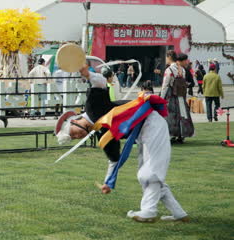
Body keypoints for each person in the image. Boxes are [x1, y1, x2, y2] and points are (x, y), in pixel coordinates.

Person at [56, 66, 188, 223]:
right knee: (151, 174)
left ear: (74, 120)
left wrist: (88, 74)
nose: (77, 136)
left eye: (72, 132)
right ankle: (179, 214)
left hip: (152, 124)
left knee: (148, 174)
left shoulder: (92, 106)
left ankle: (148, 212)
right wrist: (108, 182)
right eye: (74, 139)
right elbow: (114, 160)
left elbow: (100, 83)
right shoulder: (102, 133)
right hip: (144, 135)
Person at [161, 51, 194, 144]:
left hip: (171, 95)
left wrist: (161, 98)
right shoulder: (182, 70)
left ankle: (172, 135)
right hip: (180, 96)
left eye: (166, 57)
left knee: (170, 116)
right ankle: (181, 135)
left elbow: (165, 85)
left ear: (169, 57)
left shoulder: (169, 70)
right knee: (182, 115)